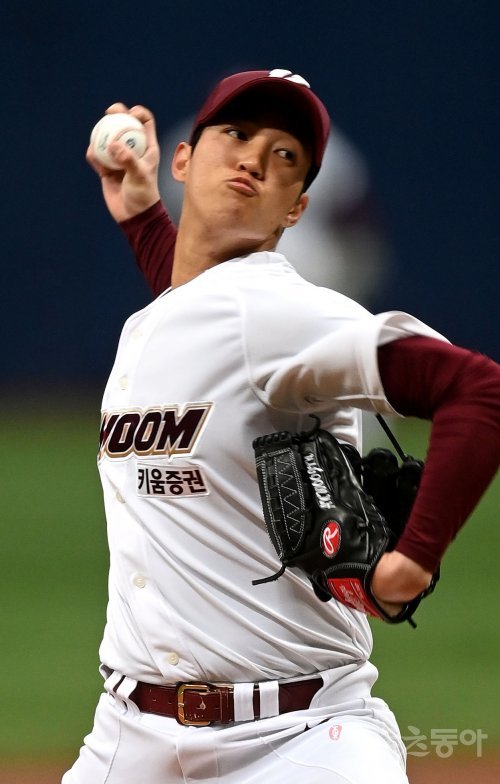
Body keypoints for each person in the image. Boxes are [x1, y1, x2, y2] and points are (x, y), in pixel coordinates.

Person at [68, 69, 500, 783]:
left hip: (299, 741)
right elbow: (203, 321)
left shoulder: (281, 311)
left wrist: (413, 560)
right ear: (182, 159)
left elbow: (477, 389)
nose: (255, 158)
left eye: (285, 155)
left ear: (296, 208)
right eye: (237, 134)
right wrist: (142, 216)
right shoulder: (166, 319)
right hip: (129, 738)